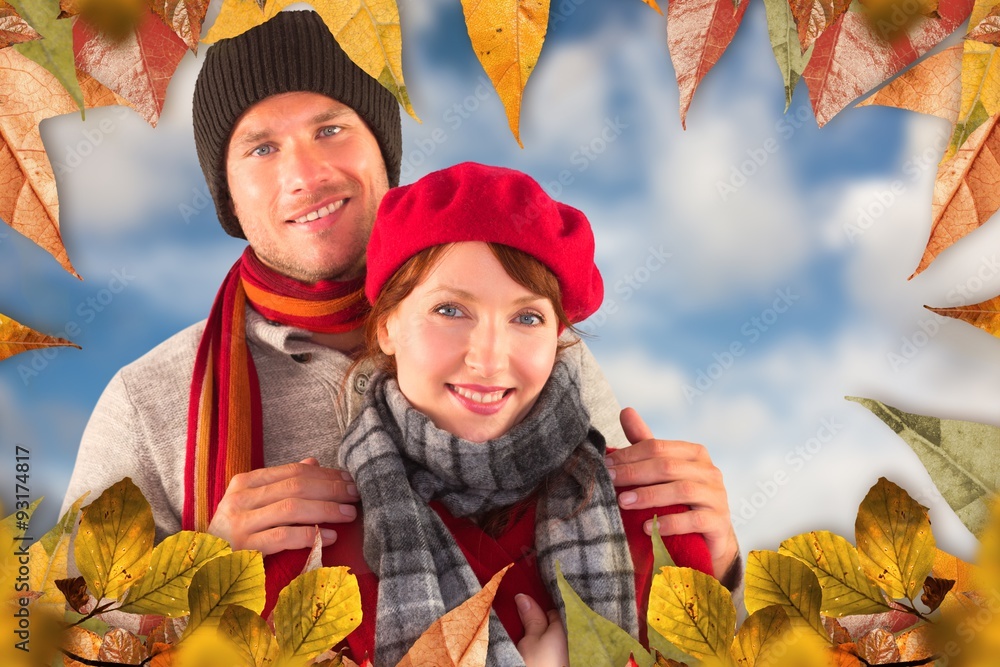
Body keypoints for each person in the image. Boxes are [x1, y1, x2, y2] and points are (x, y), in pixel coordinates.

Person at [60, 9, 740, 613]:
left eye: (331, 128)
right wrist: (198, 576)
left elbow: (631, 575)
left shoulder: (533, 352)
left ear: (383, 147)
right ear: (227, 193)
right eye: (262, 148)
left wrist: (717, 561)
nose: (306, 172)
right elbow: (62, 630)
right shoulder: (148, 401)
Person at [335, 161, 718, 665]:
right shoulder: (319, 547)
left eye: (526, 317)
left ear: (557, 337)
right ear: (387, 328)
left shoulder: (654, 523)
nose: (489, 358)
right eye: (450, 310)